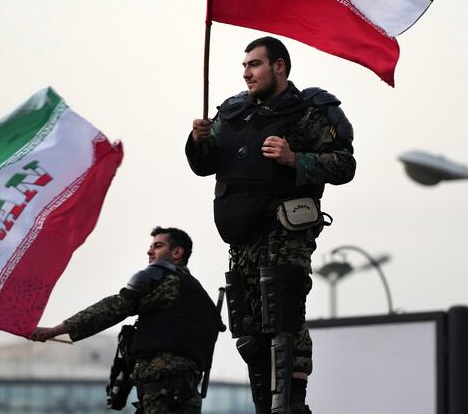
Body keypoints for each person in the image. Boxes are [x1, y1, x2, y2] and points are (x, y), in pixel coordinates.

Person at [186, 36, 356, 414]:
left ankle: (291, 406)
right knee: (248, 331)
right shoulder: (233, 113)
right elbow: (203, 165)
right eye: (244, 66)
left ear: (279, 66)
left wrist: (295, 158)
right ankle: (265, 406)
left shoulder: (307, 112)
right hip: (241, 242)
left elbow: (345, 166)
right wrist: (198, 141)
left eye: (255, 64)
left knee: (283, 320)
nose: (247, 73)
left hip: (284, 235)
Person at [30, 227, 221, 413]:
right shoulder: (198, 294)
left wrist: (55, 330)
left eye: (158, 245)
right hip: (183, 390)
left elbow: (114, 307)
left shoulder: (169, 281)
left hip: (164, 391)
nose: (150, 250)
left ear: (177, 252)